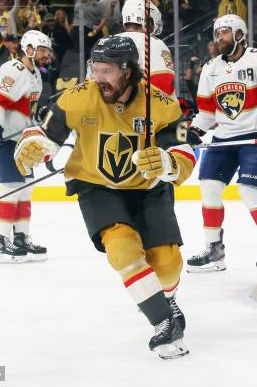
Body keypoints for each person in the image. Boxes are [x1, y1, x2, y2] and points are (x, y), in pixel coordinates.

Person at [13, 35, 195, 359]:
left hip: (150, 189)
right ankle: (164, 322)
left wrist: (169, 162)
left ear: (128, 71)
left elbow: (182, 150)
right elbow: (45, 130)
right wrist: (36, 141)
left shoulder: (161, 103)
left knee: (167, 265)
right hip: (96, 186)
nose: (98, 77)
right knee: (122, 249)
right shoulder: (80, 97)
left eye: (106, 70)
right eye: (94, 69)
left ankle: (165, 298)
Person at [185, 14, 257, 274]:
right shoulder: (211, 68)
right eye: (217, 33)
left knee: (249, 190)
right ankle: (214, 248)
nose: (218, 38)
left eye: (224, 32)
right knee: (209, 187)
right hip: (224, 137)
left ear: (239, 34)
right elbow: (207, 112)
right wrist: (196, 130)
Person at [0, 29, 53, 263]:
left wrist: (37, 120)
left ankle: (21, 237)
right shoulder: (13, 69)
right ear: (29, 49)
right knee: (12, 187)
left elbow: (26, 108)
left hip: (22, 140)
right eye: (42, 50)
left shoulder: (37, 75)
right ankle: (1, 240)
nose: (46, 55)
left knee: (26, 187)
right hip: (5, 137)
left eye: (48, 51)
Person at [117, 0, 175, 97]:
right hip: (140, 108)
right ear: (147, 21)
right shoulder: (154, 43)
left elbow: (90, 86)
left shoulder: (103, 42)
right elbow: (162, 82)